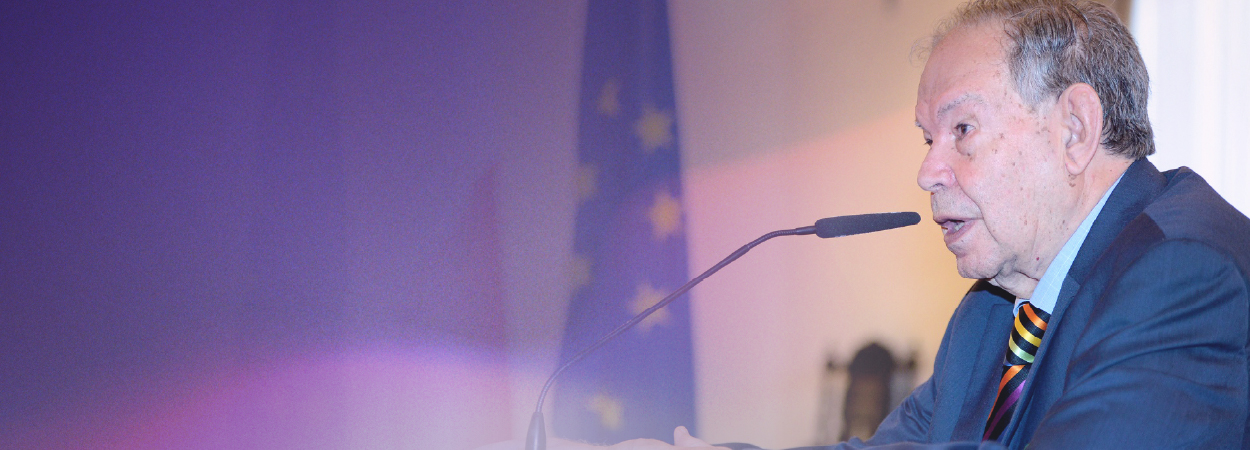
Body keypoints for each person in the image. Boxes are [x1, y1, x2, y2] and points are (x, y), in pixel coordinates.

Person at [481, 0, 1250, 448]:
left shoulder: (1184, 275)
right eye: (926, 139)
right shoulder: (993, 313)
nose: (928, 171)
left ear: (1075, 128)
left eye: (962, 131)